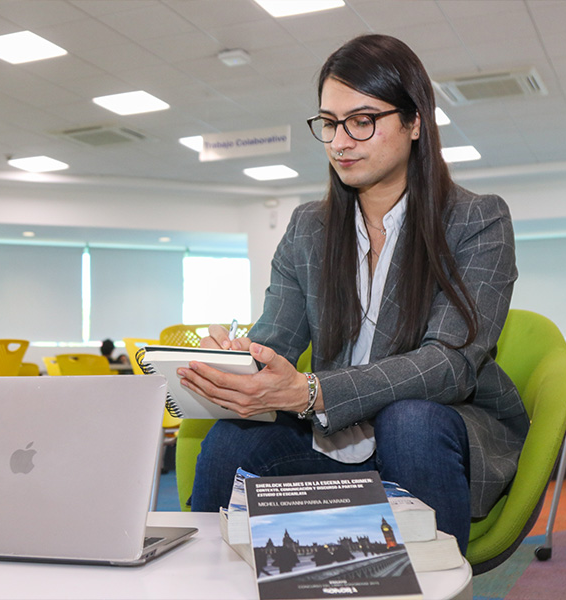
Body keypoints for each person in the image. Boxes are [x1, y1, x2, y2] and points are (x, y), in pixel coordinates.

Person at [176, 34, 528, 555]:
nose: (340, 141)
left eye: (362, 120)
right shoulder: (308, 228)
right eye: (329, 122)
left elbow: (449, 364)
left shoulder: (476, 220)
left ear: (414, 123)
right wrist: (241, 361)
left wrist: (314, 392)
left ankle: (430, 578)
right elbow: (276, 338)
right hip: (327, 439)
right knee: (233, 439)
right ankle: (200, 582)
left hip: (432, 434)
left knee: (408, 421)